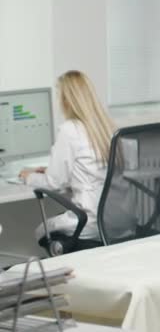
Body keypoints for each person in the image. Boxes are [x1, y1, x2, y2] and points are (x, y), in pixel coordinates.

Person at [19, 70, 115, 248]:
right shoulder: (104, 128)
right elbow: (90, 171)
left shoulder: (70, 130)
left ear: (66, 100)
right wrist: (48, 171)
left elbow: (54, 183)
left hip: (88, 223)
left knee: (40, 231)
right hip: (114, 221)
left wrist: (28, 177)